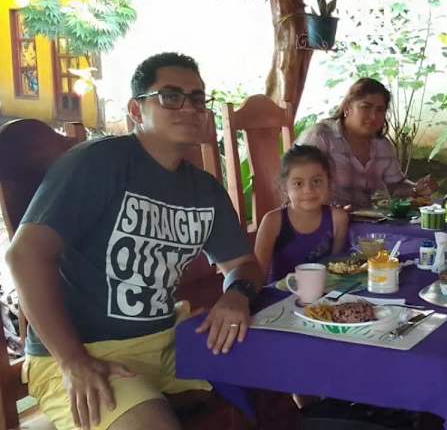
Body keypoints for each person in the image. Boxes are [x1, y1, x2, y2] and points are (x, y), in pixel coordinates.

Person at [4, 52, 264, 430]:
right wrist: (72, 361)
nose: (189, 108)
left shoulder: (205, 190)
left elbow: (243, 265)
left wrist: (236, 294)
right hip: (82, 352)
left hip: (168, 342)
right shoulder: (98, 162)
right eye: (170, 96)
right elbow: (24, 256)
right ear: (135, 109)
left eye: (197, 99)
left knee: (280, 365)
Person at [296, 78, 436, 210]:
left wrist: (417, 188)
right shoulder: (320, 137)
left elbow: (395, 185)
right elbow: (296, 183)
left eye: (380, 110)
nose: (373, 116)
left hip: (366, 221)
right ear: (347, 108)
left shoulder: (382, 146)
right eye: (366, 107)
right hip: (320, 219)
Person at [254, 144, 349, 283]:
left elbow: (336, 270)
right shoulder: (273, 221)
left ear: (328, 182)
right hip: (280, 294)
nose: (308, 190)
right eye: (298, 183)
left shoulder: (338, 218)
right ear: (285, 187)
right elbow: (257, 277)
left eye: (316, 181)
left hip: (324, 293)